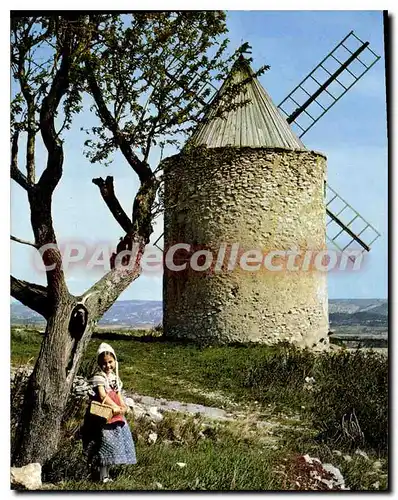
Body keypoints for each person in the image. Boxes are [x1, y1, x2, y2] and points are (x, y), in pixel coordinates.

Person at [82, 342, 137, 483]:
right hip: (104, 415)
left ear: (115, 361)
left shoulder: (114, 377)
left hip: (116, 415)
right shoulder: (99, 377)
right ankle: (102, 476)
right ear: (100, 364)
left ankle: (107, 474)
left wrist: (123, 405)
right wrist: (114, 407)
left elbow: (118, 393)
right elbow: (102, 395)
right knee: (105, 443)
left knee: (114, 443)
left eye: (110, 362)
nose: (108, 366)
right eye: (104, 363)